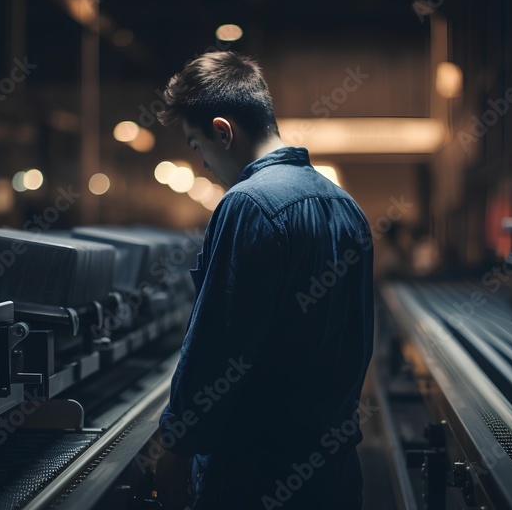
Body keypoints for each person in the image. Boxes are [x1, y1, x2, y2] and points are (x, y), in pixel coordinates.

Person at [153, 51, 374, 510]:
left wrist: (175, 447)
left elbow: (216, 346)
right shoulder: (346, 207)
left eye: (197, 147)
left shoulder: (247, 205)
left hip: (255, 477)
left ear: (222, 131)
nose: (204, 167)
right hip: (334, 474)